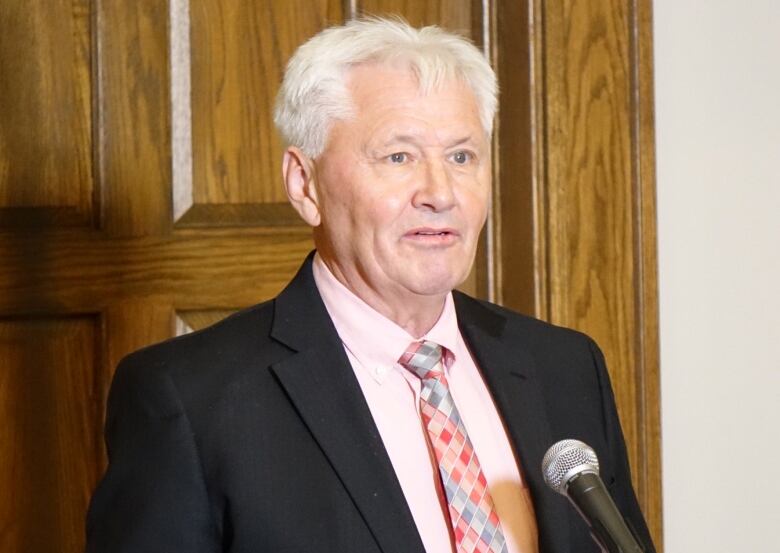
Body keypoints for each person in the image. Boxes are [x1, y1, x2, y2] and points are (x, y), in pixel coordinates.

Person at [85, 17, 655, 553]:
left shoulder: (565, 366)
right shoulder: (189, 398)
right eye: (399, 156)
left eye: (462, 155)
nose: (440, 191)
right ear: (304, 183)